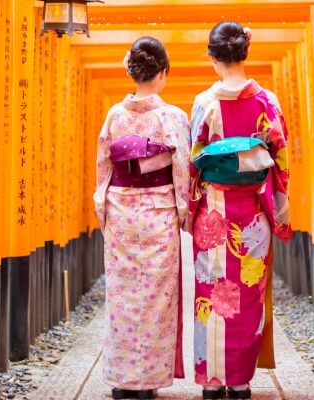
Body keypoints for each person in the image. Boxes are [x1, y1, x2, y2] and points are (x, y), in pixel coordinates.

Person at [187, 21, 292, 400]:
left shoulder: (204, 103)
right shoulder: (268, 101)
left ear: (213, 57)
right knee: (248, 293)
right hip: (251, 215)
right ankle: (240, 381)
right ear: (245, 52)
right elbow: (279, 162)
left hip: (214, 211)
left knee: (211, 291)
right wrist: (279, 207)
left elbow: (194, 159)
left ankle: (212, 381)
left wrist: (190, 207)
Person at [93, 36, 191, 400]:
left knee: (121, 294)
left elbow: (103, 167)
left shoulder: (115, 116)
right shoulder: (173, 117)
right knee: (155, 297)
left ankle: (122, 380)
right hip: (158, 212)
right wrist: (185, 213)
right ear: (163, 73)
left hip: (120, 210)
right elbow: (182, 170)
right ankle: (147, 381)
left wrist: (103, 209)